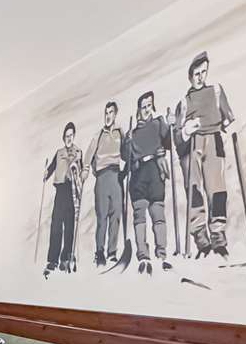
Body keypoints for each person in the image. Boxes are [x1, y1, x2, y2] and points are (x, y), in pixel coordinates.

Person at [174, 52, 236, 256]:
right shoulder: (184, 102)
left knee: (217, 189)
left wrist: (226, 125)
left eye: (204, 72)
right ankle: (201, 240)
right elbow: (177, 136)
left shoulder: (216, 91)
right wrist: (185, 130)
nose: (200, 77)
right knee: (195, 190)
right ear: (190, 76)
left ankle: (218, 238)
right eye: (196, 73)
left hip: (214, 141)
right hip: (193, 144)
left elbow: (228, 116)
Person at [123, 91, 172, 274]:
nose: (146, 110)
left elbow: (169, 143)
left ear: (153, 106)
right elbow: (125, 157)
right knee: (139, 216)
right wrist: (127, 143)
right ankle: (143, 255)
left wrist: (171, 125)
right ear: (138, 110)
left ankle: (161, 253)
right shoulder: (133, 133)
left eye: (149, 106)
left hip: (155, 171)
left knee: (158, 214)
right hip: (138, 174)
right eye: (143, 107)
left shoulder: (159, 123)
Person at [84, 101, 125, 266]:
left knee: (116, 215)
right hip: (102, 178)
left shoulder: (120, 132)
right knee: (102, 217)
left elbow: (126, 151)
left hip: (116, 176)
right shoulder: (98, 135)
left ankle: (112, 252)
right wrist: (86, 170)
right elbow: (88, 156)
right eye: (106, 113)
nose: (108, 116)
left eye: (111, 112)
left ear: (115, 114)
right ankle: (99, 252)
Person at [43, 121, 83, 276]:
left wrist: (78, 167)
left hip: (71, 190)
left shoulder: (78, 152)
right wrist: (46, 173)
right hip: (60, 191)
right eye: (67, 136)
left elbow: (81, 171)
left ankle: (66, 257)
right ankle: (53, 259)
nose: (69, 138)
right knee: (56, 225)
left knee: (69, 225)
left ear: (74, 136)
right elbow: (52, 166)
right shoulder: (59, 152)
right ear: (63, 137)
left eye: (71, 135)